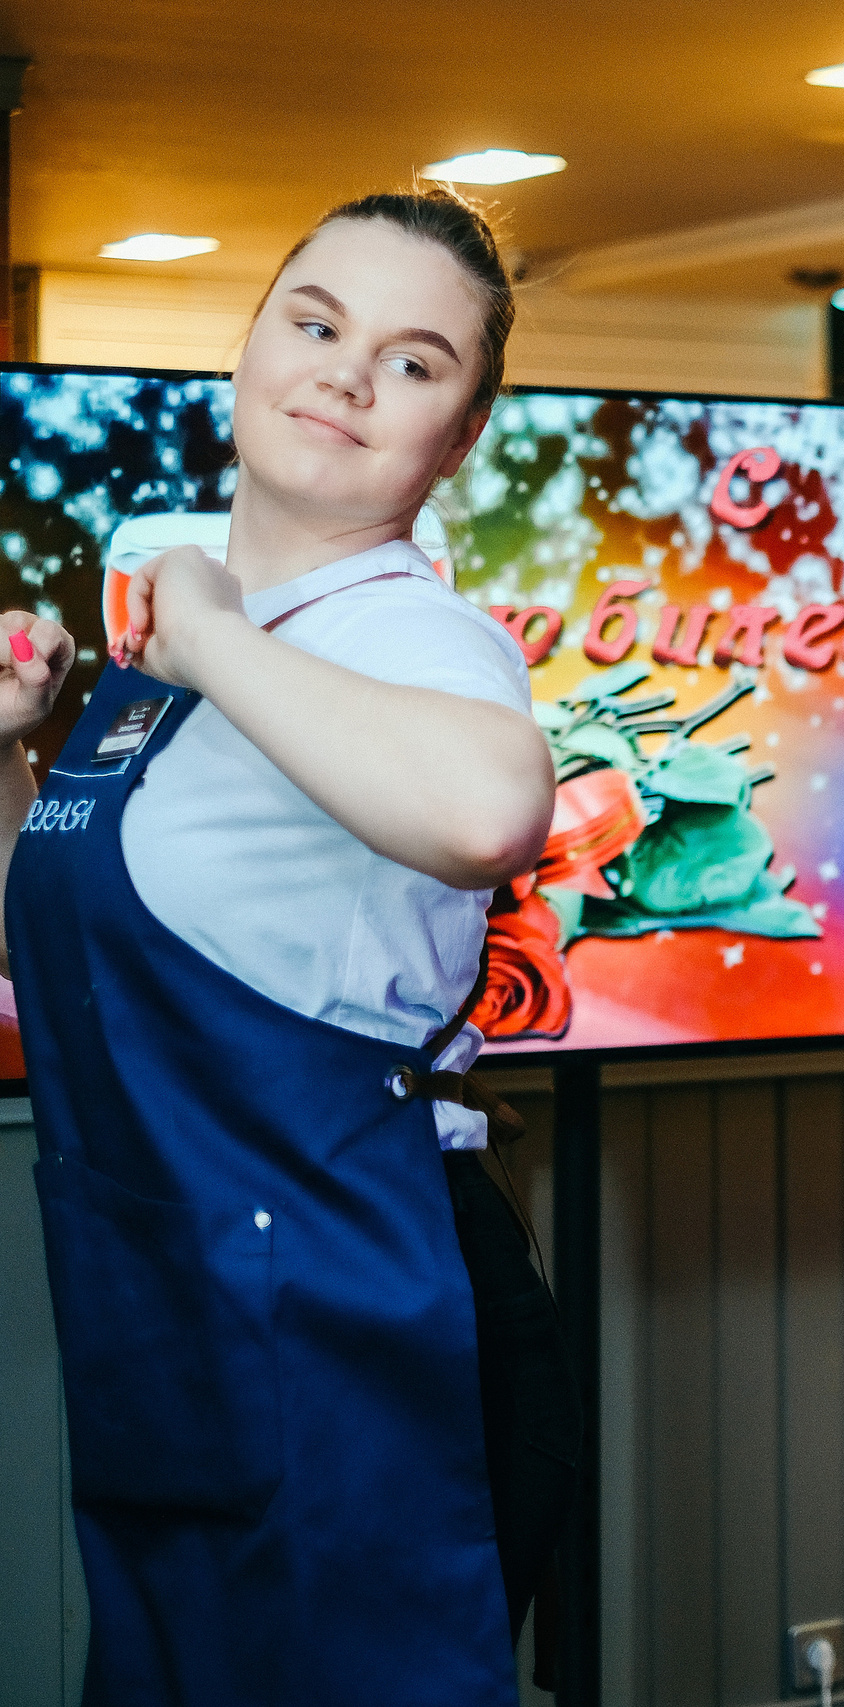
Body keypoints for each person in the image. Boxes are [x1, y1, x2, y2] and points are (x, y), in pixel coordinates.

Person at [0, 189, 572, 1704]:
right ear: (247, 345)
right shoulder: (185, 653)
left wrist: (202, 633)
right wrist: (11, 752)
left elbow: (489, 806)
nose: (343, 372)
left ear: (456, 439)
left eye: (412, 361)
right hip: (179, 1330)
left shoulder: (403, 637)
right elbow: (70, 936)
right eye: (314, 324)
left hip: (361, 1326)